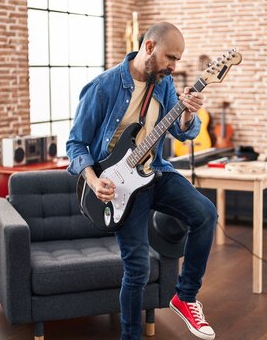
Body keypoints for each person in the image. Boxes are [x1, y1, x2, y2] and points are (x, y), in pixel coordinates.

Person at [66, 21, 218, 340]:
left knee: (206, 214)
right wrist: (94, 182)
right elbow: (75, 144)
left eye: (178, 60)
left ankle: (185, 296)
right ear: (149, 47)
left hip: (154, 173)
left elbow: (180, 131)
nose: (174, 67)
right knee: (137, 270)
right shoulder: (103, 87)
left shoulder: (161, 83)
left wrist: (189, 114)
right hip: (118, 187)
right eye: (171, 58)